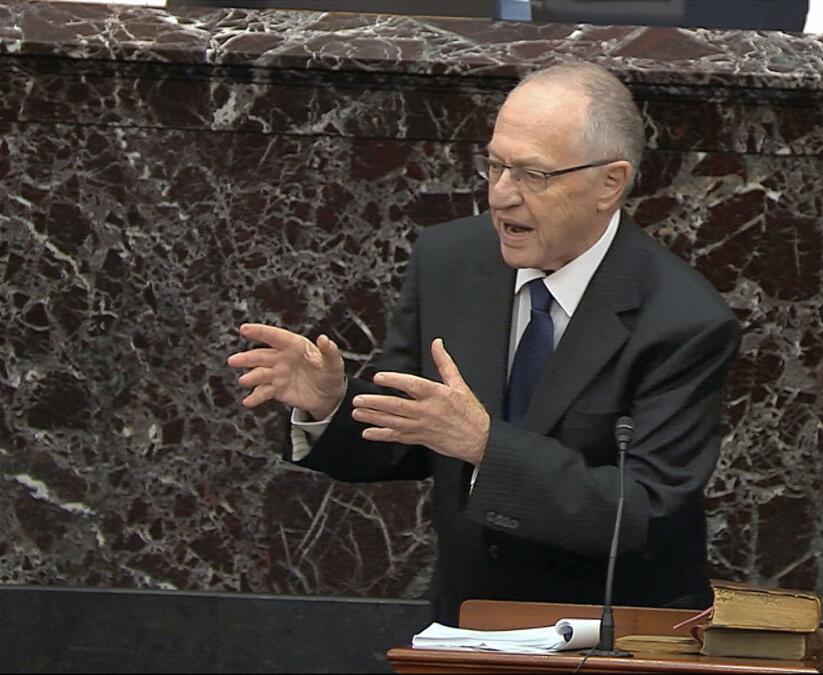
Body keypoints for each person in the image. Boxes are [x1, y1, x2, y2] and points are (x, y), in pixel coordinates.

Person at [227, 63, 741, 624]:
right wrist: (329, 404)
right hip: (468, 623)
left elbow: (644, 511)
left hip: (617, 631)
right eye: (495, 165)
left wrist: (486, 446)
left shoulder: (684, 320)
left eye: (532, 175)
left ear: (610, 183)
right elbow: (408, 436)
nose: (501, 196)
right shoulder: (449, 261)